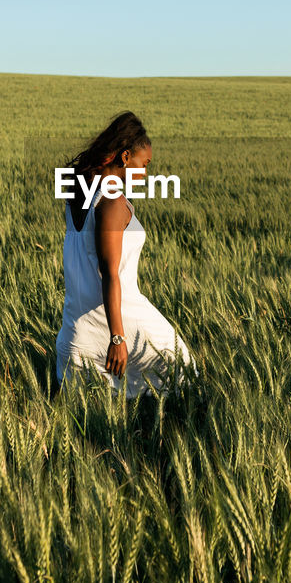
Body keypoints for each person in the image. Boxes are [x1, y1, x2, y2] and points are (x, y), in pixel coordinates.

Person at [55, 111, 195, 398]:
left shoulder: (76, 197)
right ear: (125, 157)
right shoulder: (112, 202)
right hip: (120, 321)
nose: (146, 173)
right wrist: (117, 337)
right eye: (145, 164)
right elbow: (109, 272)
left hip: (75, 334)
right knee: (184, 371)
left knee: (69, 419)